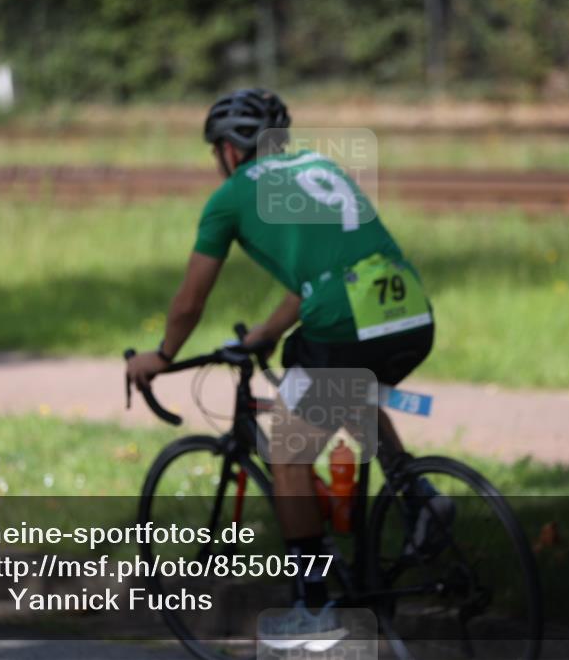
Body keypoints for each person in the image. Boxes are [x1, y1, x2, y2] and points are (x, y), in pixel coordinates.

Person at [125, 88, 447, 645]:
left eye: (213, 152)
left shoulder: (229, 197)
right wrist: (267, 334)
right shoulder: (320, 167)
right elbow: (332, 266)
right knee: (344, 385)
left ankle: (314, 608)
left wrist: (162, 356)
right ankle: (418, 496)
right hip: (410, 310)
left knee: (287, 452)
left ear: (229, 150)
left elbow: (191, 299)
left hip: (346, 320)